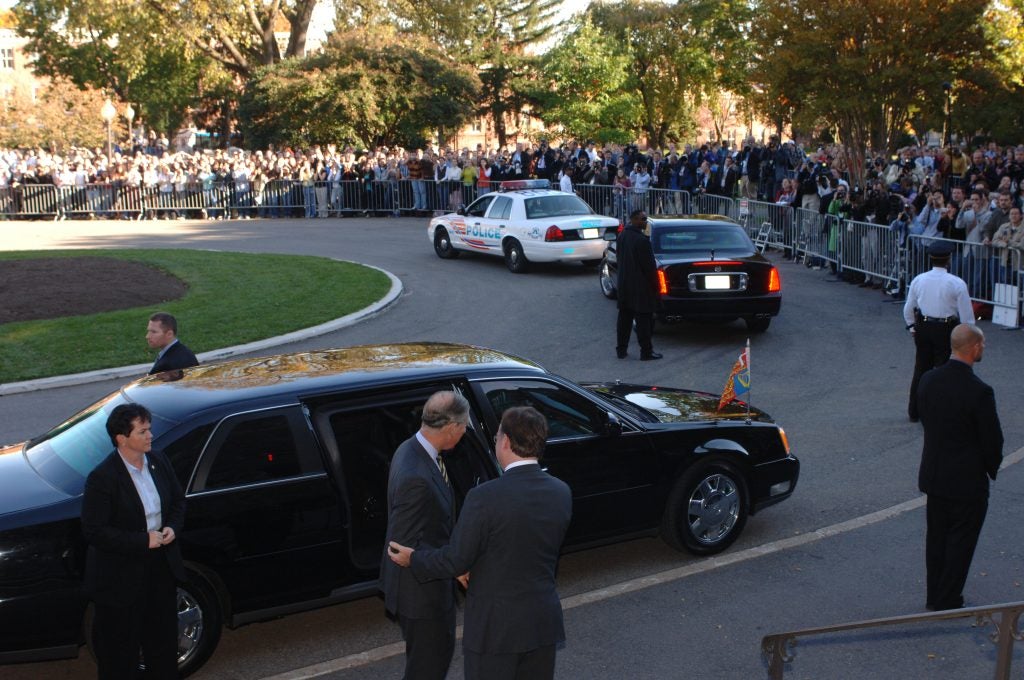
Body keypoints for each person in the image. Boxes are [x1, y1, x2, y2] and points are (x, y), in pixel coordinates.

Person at [389, 406, 573, 680]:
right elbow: (524, 548)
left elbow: (455, 559)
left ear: (506, 442)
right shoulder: (561, 491)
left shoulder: (484, 497)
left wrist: (413, 559)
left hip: (494, 631)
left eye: (498, 435)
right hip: (541, 623)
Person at [81, 403, 185, 680]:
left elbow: (177, 502)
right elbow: (94, 531)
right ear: (121, 438)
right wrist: (142, 541)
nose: (150, 435)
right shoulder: (102, 478)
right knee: (120, 653)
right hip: (120, 578)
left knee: (162, 644)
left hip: (160, 568)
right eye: (143, 431)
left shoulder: (159, 462)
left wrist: (173, 527)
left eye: (149, 429)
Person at [380, 391, 470, 680]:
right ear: (451, 428)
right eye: (465, 426)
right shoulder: (416, 478)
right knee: (428, 668)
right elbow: (400, 550)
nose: (466, 431)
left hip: (426, 588)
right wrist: (452, 566)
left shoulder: (409, 448)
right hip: (421, 596)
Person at [917, 324, 1002, 611]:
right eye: (983, 344)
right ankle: (948, 598)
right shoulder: (979, 391)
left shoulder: (928, 379)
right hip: (967, 480)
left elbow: (925, 418)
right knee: (961, 542)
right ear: (975, 347)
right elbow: (992, 440)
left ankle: (934, 595)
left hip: (935, 474)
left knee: (936, 539)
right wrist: (990, 467)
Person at [902, 242, 974, 422]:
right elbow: (967, 316)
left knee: (921, 368)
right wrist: (968, 335)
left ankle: (914, 410)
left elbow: (908, 308)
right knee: (944, 369)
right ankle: (942, 411)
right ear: (948, 260)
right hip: (946, 327)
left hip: (924, 326)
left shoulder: (919, 279)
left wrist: (911, 326)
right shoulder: (956, 283)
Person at [615, 209, 662, 360]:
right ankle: (646, 352)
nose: (645, 221)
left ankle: (621, 350)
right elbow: (649, 268)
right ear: (634, 220)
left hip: (624, 284)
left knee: (624, 319)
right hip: (640, 287)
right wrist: (655, 286)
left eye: (645, 218)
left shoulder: (622, 236)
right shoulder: (642, 241)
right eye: (643, 219)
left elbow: (619, 259)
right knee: (644, 321)